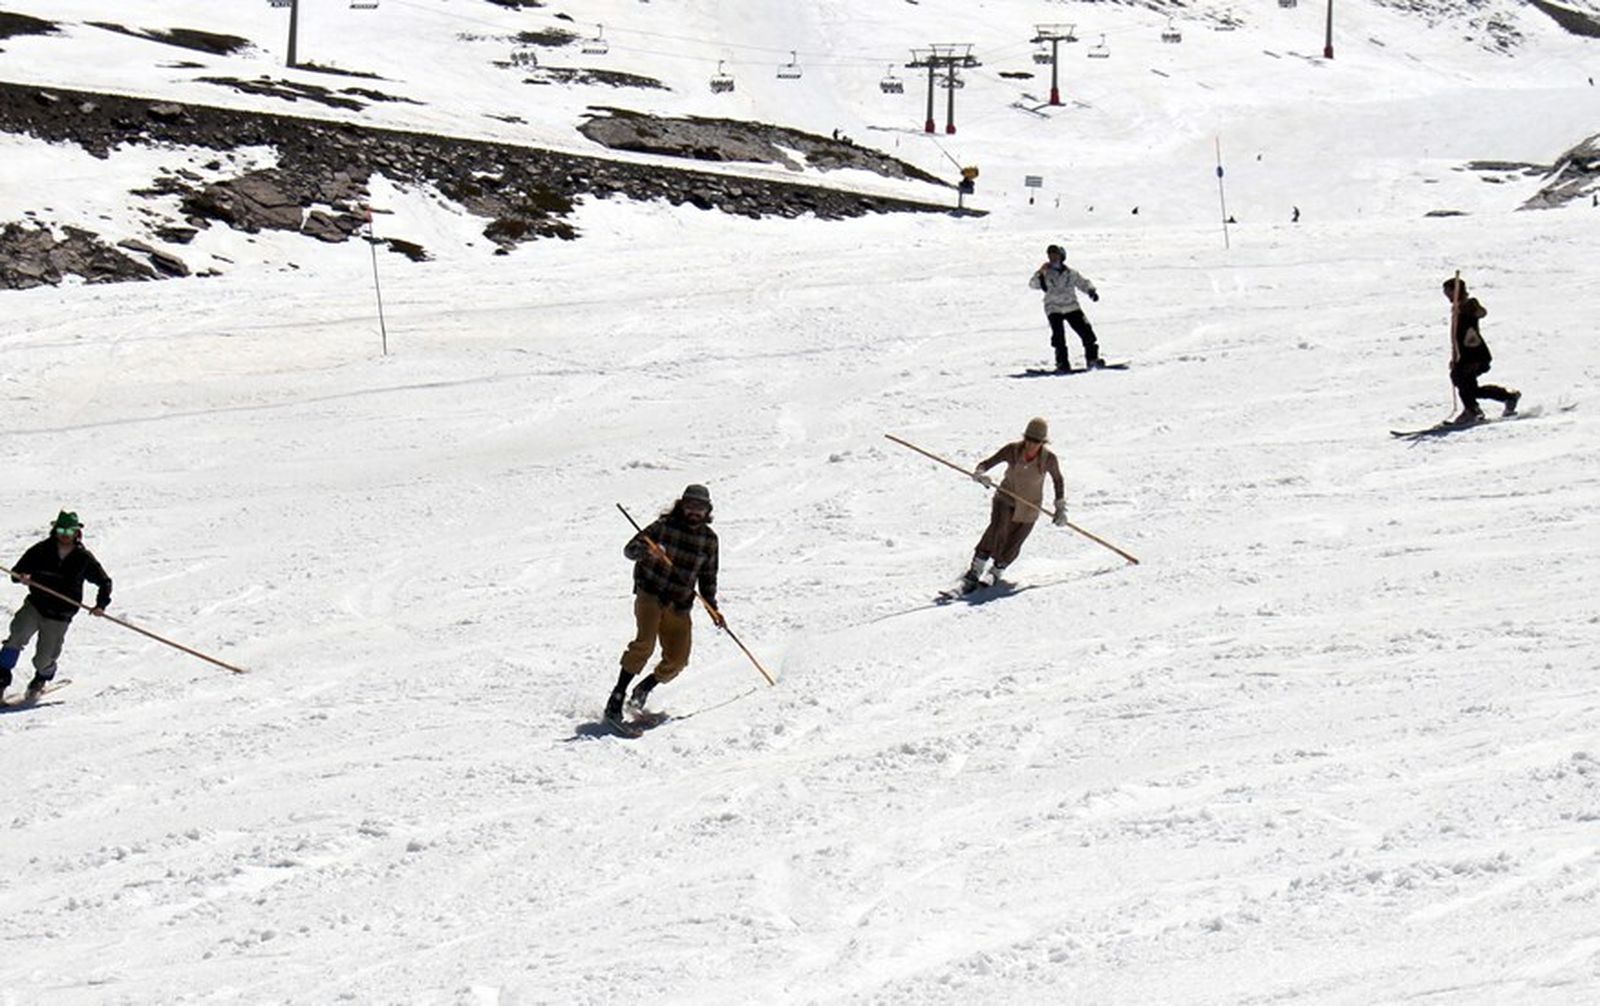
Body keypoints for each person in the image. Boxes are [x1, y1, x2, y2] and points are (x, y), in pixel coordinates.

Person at [604, 484, 724, 728]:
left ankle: (644, 687)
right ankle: (616, 699)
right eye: (690, 505)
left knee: (677, 660)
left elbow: (708, 576)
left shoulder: (710, 540)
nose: (694, 511)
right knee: (644, 645)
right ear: (682, 505)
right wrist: (649, 551)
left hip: (679, 604)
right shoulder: (663, 527)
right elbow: (630, 550)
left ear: (707, 510)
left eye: (699, 507)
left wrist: (713, 608)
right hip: (651, 594)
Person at [2, 511, 112, 702]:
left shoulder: (83, 558)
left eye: (69, 531)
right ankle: (1, 681)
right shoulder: (41, 550)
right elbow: (16, 573)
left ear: (77, 532)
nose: (64, 534)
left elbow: (105, 582)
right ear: (54, 530)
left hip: (60, 615)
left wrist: (100, 605)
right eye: (61, 529)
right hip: (35, 605)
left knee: (43, 660)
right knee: (15, 638)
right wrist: (22, 577)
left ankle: (41, 678)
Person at [965, 418, 1067, 588]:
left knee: (1015, 540)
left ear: (1042, 442)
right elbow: (986, 464)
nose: (1031, 444)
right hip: (1005, 498)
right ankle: (975, 570)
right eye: (1029, 439)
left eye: (1036, 441)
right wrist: (980, 474)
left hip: (1030, 506)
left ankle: (996, 572)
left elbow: (1058, 480)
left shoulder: (1048, 459)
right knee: (997, 530)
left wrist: (1060, 508)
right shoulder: (1012, 450)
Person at [1443, 277, 1519, 424]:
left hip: (1475, 355)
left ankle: (1472, 410)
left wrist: (1464, 308)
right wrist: (1455, 357)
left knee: (1461, 379)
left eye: (1448, 292)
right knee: (1468, 387)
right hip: (1465, 356)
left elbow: (1480, 313)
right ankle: (1507, 397)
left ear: (1456, 291)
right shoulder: (1457, 309)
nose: (1447, 296)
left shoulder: (1468, 306)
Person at [1029, 244, 1104, 372]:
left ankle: (1092, 359)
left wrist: (1091, 291)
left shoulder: (1071, 273)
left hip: (1072, 307)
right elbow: (1033, 285)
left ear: (1062, 256)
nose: (1053, 257)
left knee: (1087, 333)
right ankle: (1062, 363)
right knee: (1058, 338)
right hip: (1054, 309)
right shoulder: (1045, 273)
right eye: (1050, 255)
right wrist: (1040, 273)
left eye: (1055, 255)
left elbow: (1083, 283)